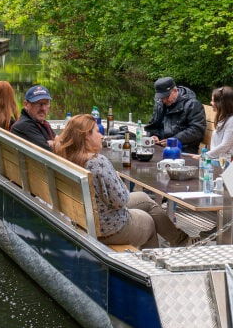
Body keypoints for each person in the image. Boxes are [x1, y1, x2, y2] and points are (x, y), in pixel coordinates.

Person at [55, 115, 188, 248]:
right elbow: (120, 201)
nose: (101, 135)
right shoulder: (97, 162)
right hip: (107, 228)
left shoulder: (67, 156)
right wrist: (119, 181)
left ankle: (180, 240)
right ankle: (150, 264)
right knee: (147, 221)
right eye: (97, 131)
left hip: (85, 218)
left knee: (144, 199)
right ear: (86, 136)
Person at [144, 77, 207, 153]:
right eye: (161, 97)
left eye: (166, 97)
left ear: (175, 90)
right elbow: (154, 124)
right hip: (161, 146)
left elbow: (197, 130)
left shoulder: (193, 104)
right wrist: (154, 135)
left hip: (183, 148)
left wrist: (173, 140)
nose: (164, 100)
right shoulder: (160, 104)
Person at [204, 86, 233, 160]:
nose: (211, 103)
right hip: (216, 160)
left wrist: (204, 156)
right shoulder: (223, 118)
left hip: (227, 163)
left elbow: (225, 146)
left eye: (213, 101)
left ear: (222, 104)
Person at [12, 84, 55, 150]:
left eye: (46, 103)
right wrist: (54, 143)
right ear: (26, 104)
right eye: (38, 104)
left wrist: (53, 143)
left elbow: (57, 140)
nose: (43, 108)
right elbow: (49, 151)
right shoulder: (25, 125)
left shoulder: (41, 123)